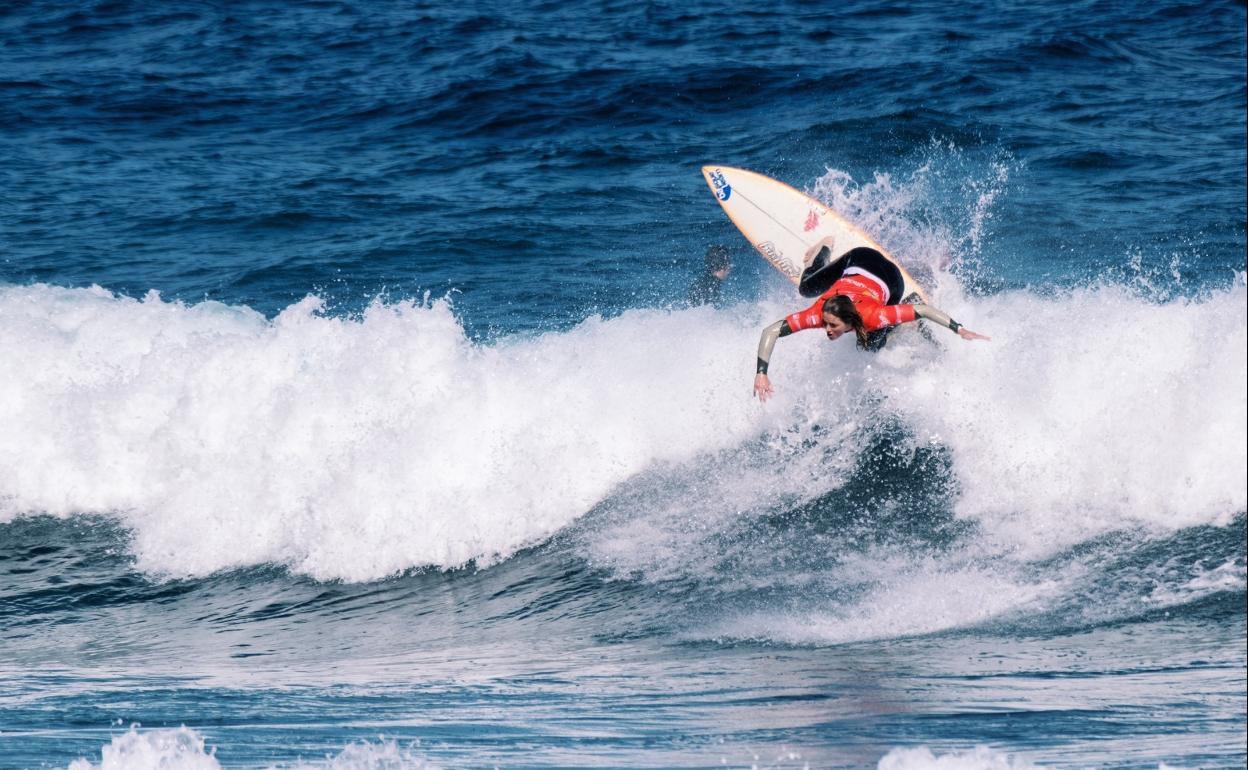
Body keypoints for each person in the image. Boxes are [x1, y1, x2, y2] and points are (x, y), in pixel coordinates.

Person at [753, 236, 989, 402]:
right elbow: (770, 331)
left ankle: (903, 303)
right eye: (826, 323)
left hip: (891, 279)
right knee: (806, 288)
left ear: (850, 320)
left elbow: (924, 310)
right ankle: (822, 252)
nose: (826, 329)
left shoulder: (873, 316)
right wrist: (762, 372)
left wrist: (960, 329)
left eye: (833, 325)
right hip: (856, 263)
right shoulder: (818, 314)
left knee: (871, 344)